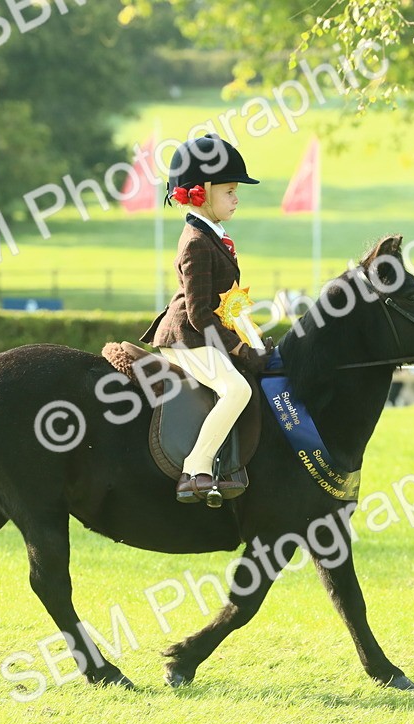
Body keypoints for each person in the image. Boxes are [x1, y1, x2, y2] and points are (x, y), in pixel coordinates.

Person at [140, 135, 267, 503]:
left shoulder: (213, 235)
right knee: (236, 389)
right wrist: (239, 349)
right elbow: (198, 313)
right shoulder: (196, 240)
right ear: (203, 193)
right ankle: (196, 470)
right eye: (229, 191)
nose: (236, 198)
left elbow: (227, 304)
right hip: (185, 337)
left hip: (200, 332)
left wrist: (253, 340)